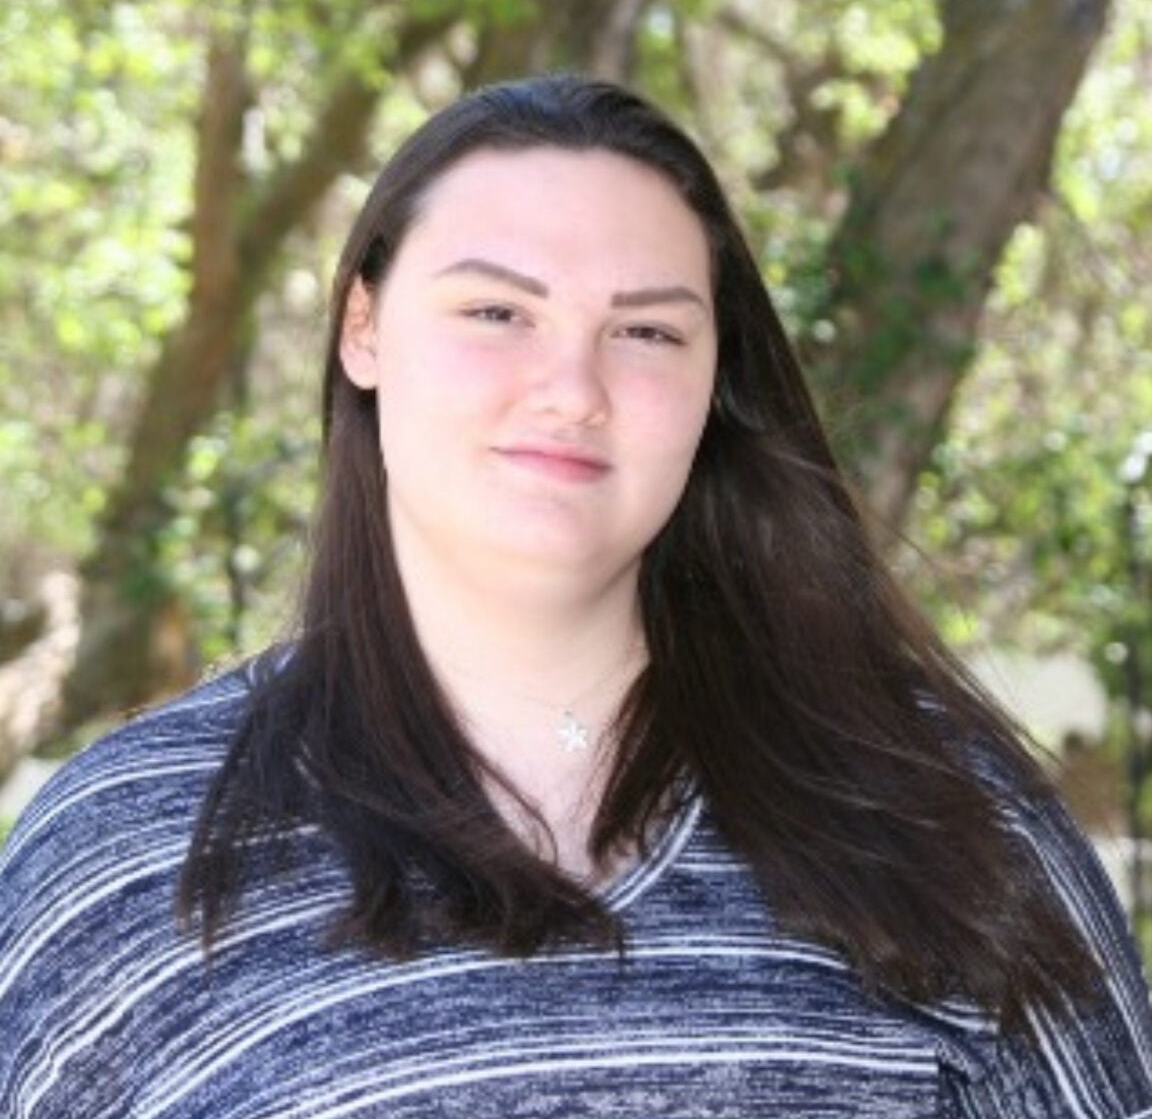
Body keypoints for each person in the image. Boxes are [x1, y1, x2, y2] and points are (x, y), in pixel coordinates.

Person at [1, 74, 1150, 1119]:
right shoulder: (128, 853)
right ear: (364, 327)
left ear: (714, 381)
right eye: (498, 311)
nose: (572, 389)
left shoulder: (942, 817)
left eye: (645, 331)